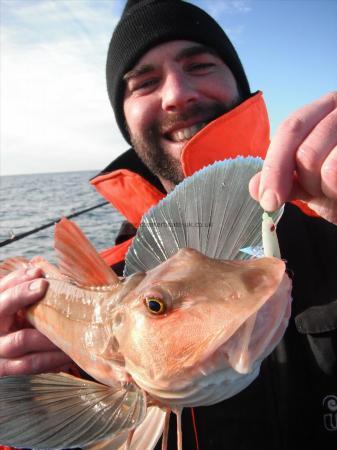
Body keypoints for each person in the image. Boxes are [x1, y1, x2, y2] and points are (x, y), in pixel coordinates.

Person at [0, 0, 336, 448]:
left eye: (199, 64)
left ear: (242, 85)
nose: (177, 93)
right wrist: (23, 392)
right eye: (145, 82)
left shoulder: (327, 221)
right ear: (124, 117)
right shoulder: (116, 267)